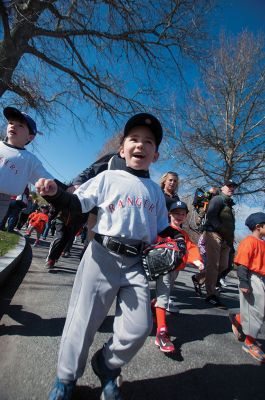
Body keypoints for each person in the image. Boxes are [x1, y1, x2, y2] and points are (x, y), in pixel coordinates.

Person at [36, 112, 176, 400]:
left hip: (137, 263)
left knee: (140, 327)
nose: (140, 145)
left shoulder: (156, 192)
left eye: (148, 142)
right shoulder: (108, 177)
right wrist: (54, 193)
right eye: (134, 139)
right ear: (122, 149)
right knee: (82, 321)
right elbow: (77, 203)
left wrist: (177, 243)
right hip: (102, 256)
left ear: (156, 154)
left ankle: (107, 364)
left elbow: (164, 229)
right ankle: (65, 378)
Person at [152, 200, 204, 353]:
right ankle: (161, 332)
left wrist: (196, 260)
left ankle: (152, 308)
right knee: (163, 297)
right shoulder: (164, 229)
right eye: (176, 213)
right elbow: (154, 242)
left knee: (164, 294)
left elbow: (191, 248)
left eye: (183, 214)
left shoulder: (184, 234)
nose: (180, 216)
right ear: (170, 214)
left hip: (176, 270)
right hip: (164, 268)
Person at [0, 106, 57, 223]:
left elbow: (46, 179)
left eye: (20, 125)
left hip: (2, 199)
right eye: (11, 122)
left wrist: (56, 187)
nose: (13, 125)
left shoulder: (30, 160)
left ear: (30, 137)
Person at [229, 212, 265, 363]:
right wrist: (244, 282)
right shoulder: (249, 241)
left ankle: (237, 319)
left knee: (259, 310)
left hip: (262, 278)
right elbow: (242, 264)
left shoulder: (263, 243)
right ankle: (249, 343)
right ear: (259, 226)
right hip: (252, 278)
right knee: (257, 311)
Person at [203, 179, 237, 309]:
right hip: (214, 234)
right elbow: (211, 215)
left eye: (233, 186)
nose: (231, 188)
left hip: (226, 240)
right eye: (229, 185)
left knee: (224, 265)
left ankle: (199, 277)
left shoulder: (230, 205)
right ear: (222, 187)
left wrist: (230, 239)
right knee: (214, 265)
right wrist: (220, 229)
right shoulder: (218, 199)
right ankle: (211, 295)